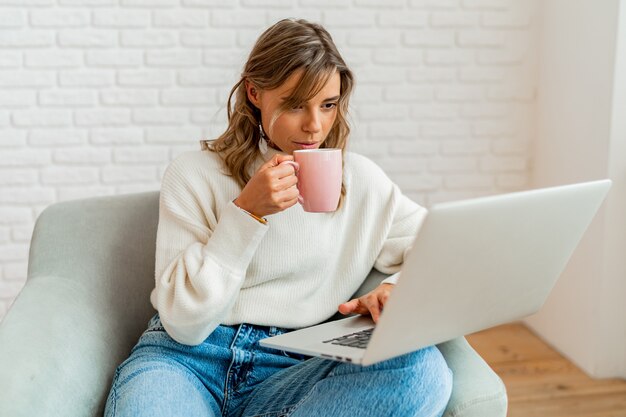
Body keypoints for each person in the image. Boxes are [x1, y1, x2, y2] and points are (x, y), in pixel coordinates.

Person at [104, 18, 452, 417]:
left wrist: (397, 289)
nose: (315, 125)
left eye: (328, 105)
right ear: (254, 93)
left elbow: (443, 248)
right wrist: (246, 213)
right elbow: (184, 324)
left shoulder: (363, 182)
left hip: (296, 370)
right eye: (294, 105)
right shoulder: (195, 174)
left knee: (422, 370)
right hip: (187, 361)